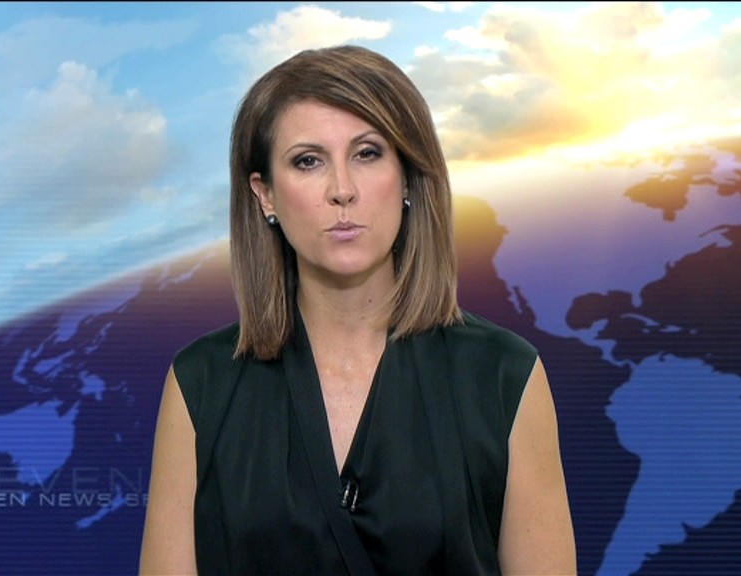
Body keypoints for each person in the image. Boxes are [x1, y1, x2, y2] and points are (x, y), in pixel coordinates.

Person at [139, 44, 576, 575]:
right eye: (308, 161)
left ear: (408, 176)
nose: (342, 190)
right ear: (265, 194)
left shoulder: (503, 375)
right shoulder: (201, 384)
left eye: (367, 153)